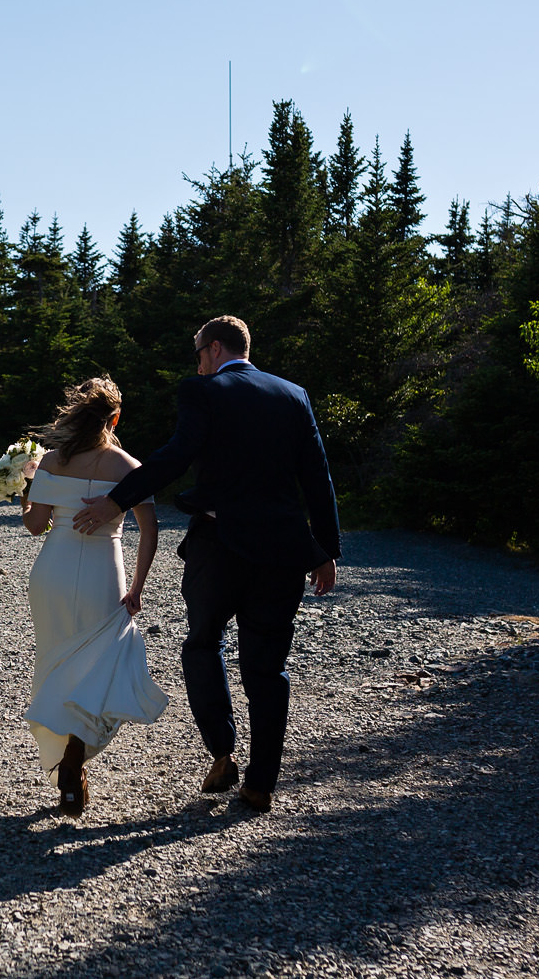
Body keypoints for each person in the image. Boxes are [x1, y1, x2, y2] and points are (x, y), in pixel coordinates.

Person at [71, 315, 338, 813]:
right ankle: (260, 784)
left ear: (214, 349)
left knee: (200, 646)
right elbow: (317, 477)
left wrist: (118, 500)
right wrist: (325, 551)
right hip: (284, 553)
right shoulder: (294, 395)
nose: (197, 363)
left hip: (219, 545)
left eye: (198, 353)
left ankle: (222, 749)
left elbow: (177, 455)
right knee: (267, 669)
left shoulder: (203, 392)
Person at [19, 376, 169, 815]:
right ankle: (74, 758)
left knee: (56, 662)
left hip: (51, 573)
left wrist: (23, 494)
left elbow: (34, 526)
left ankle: (67, 762)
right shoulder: (128, 467)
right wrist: (138, 587)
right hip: (104, 570)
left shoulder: (49, 461)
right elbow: (150, 530)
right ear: (115, 418)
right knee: (96, 668)